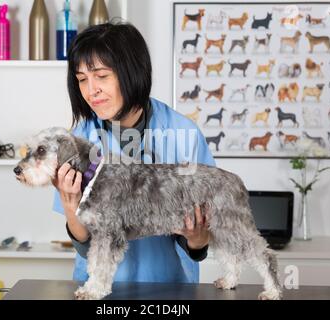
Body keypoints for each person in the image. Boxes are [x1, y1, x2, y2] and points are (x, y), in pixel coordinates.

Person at [52, 22, 216, 284]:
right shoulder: (79, 141)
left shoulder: (183, 134)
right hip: (99, 288)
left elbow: (200, 247)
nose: (90, 90)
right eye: (82, 79)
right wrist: (72, 210)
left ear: (132, 72)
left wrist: (197, 238)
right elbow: (84, 245)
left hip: (168, 287)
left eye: (101, 76)